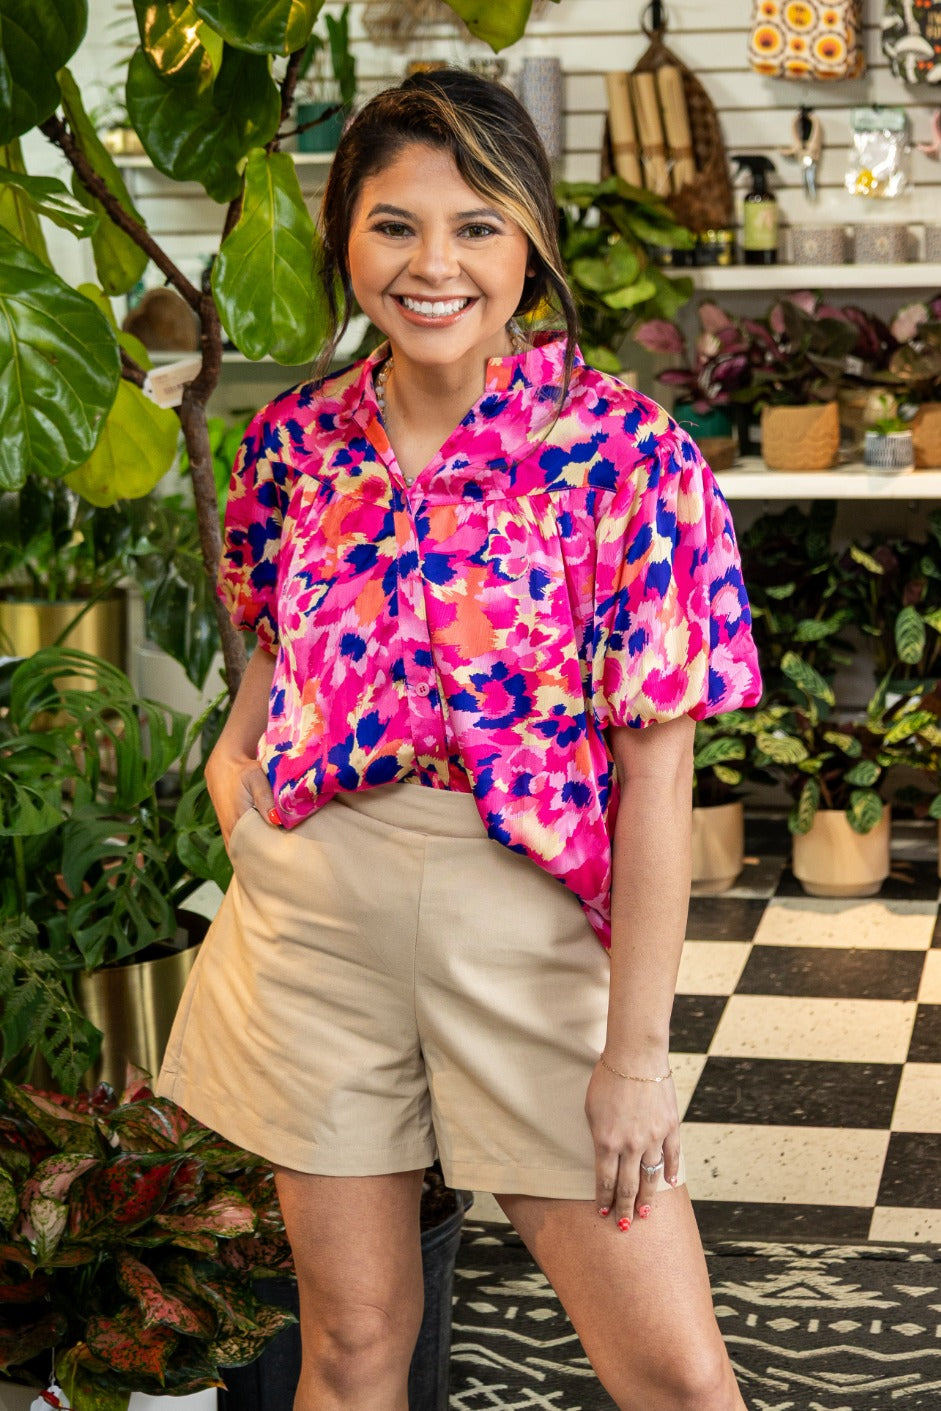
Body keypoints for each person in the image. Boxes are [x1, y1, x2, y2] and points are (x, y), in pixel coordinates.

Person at [158, 67, 761, 1411]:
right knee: (354, 1349)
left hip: (527, 926)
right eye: (394, 225)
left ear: (531, 243)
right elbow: (272, 623)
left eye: (476, 224)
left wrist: (635, 1061)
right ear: (344, 239)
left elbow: (657, 781)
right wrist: (232, 755)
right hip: (315, 915)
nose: (434, 265)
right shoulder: (293, 441)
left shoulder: (628, 455)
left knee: (674, 1377)